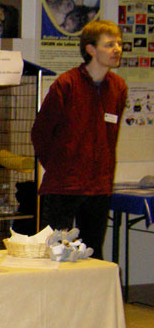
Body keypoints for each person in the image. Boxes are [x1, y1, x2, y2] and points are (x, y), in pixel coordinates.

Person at [31, 19, 127, 259]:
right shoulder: (67, 84)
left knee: (92, 254)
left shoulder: (118, 87)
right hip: (63, 186)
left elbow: (110, 137)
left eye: (118, 43)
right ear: (90, 49)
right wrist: (59, 167)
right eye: (109, 44)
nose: (117, 49)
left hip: (99, 187)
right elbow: (40, 132)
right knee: (54, 253)